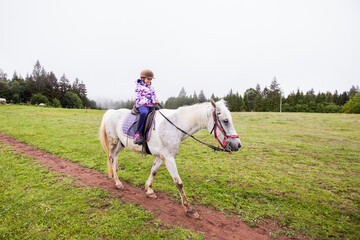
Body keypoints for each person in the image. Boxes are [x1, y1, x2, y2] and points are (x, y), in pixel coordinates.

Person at [133, 69, 159, 145]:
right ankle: (138, 134)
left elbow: (154, 96)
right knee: (144, 113)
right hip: (142, 105)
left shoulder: (151, 88)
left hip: (151, 105)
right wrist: (150, 102)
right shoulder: (138, 87)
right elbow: (137, 99)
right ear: (143, 78)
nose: (149, 80)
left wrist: (155, 100)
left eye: (150, 79)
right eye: (148, 79)